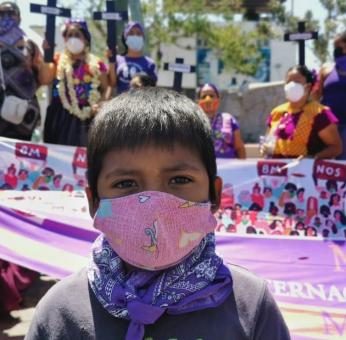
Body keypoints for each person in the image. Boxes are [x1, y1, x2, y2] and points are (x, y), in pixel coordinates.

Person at [25, 88, 290, 339]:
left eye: (179, 180)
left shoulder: (251, 304)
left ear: (214, 195)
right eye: (126, 184)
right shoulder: (61, 312)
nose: (154, 205)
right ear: (94, 201)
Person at [40, 19, 110, 146]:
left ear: (86, 39)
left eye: (77, 35)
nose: (73, 38)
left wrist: (100, 104)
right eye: (69, 35)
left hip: (88, 118)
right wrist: (46, 54)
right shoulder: (56, 59)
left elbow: (106, 88)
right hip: (60, 118)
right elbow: (45, 79)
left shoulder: (97, 64)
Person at [262, 65, 342, 159]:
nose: (291, 86)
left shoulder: (320, 113)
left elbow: (336, 147)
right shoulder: (277, 112)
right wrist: (265, 148)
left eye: (297, 82)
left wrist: (312, 159)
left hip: (304, 171)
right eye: (288, 82)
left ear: (308, 87)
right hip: (276, 170)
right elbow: (268, 142)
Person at [0, 1, 43, 141]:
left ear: (19, 17)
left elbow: (42, 77)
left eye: (11, 13)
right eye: (1, 13)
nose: (6, 17)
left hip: (22, 110)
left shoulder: (30, 44)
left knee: (20, 156)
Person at [314, 31, 346, 159]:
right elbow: (316, 95)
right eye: (335, 47)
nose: (337, 51)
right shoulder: (326, 69)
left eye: (340, 47)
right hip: (328, 125)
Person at [198, 83, 246, 159]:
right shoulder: (193, 123)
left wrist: (243, 169)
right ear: (199, 101)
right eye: (204, 96)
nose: (208, 99)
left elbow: (239, 148)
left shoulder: (229, 119)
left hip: (227, 168)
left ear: (218, 99)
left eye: (211, 96)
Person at [109, 21, 157, 94]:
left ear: (143, 38)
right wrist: (111, 61)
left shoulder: (150, 63)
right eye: (131, 33)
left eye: (138, 33)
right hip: (120, 103)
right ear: (125, 38)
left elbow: (153, 89)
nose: (135, 36)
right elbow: (113, 84)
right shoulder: (117, 59)